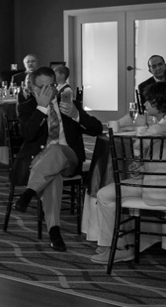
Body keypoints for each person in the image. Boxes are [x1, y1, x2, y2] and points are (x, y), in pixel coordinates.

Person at [11, 66, 102, 252]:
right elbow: (28, 135)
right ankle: (54, 231)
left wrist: (76, 116)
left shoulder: (67, 104)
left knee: (56, 151)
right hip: (39, 163)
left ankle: (29, 193)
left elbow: (97, 128)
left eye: (51, 86)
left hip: (69, 158)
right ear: (33, 88)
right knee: (52, 177)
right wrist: (41, 109)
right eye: (42, 87)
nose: (48, 91)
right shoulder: (27, 108)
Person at [91, 81, 166, 264]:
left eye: (148, 101)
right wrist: (142, 167)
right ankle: (117, 244)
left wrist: (141, 130)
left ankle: (117, 246)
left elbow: (151, 137)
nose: (145, 105)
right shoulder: (165, 123)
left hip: (164, 188)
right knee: (107, 194)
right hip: (156, 181)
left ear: (159, 102)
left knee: (105, 195)